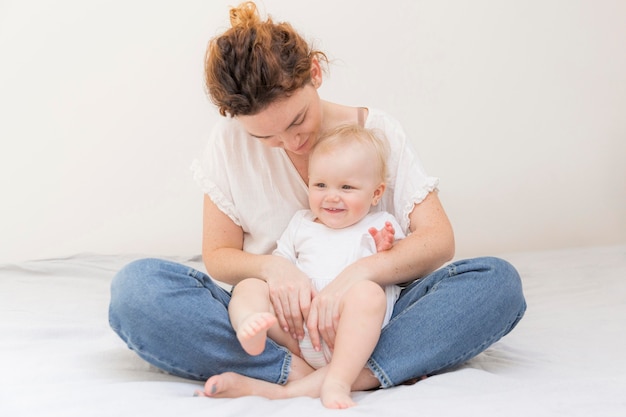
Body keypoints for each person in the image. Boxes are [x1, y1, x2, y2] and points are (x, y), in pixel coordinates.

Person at [109, 0, 526, 408]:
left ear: (315, 73)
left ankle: (316, 379)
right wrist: (274, 268)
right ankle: (326, 372)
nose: (291, 143)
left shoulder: (378, 133)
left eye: (296, 121)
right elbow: (218, 256)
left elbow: (437, 240)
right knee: (138, 291)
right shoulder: (227, 143)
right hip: (280, 326)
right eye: (265, 138)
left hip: (371, 319)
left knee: (496, 283)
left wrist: (357, 275)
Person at [229, 124, 404, 408]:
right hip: (297, 331)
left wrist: (386, 247)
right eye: (320, 185)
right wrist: (279, 286)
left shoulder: (378, 224)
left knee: (368, 294)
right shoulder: (301, 223)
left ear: (376, 193)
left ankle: (338, 381)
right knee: (250, 285)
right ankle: (249, 322)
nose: (331, 196)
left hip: (350, 338)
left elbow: (396, 268)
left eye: (346, 187)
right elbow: (279, 263)